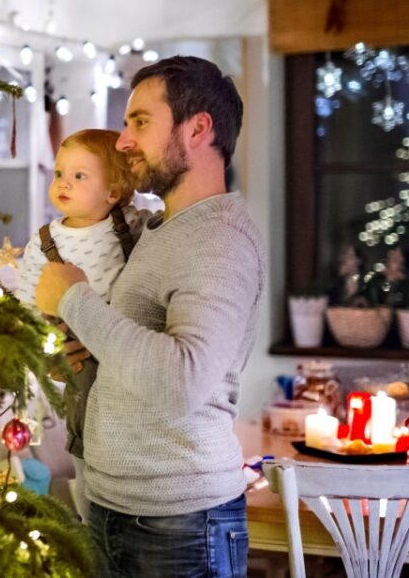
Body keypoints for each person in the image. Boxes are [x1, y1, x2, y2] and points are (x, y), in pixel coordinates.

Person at [35, 56, 266, 578]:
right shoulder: (159, 230)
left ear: (198, 128)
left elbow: (183, 378)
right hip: (119, 508)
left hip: (180, 525)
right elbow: (134, 351)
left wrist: (75, 300)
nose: (122, 141)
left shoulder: (219, 238)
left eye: (139, 121)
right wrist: (81, 351)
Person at [14, 129, 149, 519]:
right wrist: (44, 343)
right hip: (77, 357)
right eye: (59, 173)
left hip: (124, 348)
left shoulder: (134, 225)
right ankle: (92, 519)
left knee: (127, 440)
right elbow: (26, 302)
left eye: (79, 176)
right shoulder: (44, 241)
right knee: (85, 443)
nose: (63, 183)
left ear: (114, 192)